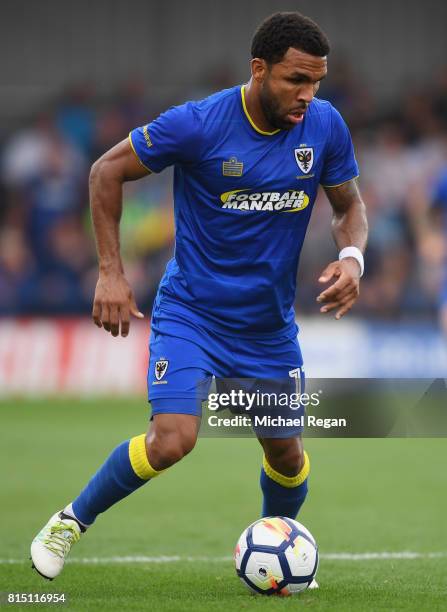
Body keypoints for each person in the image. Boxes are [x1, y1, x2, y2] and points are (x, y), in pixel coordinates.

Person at [31, 11, 368, 587]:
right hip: (193, 313)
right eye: (295, 80)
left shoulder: (326, 127)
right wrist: (110, 272)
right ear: (258, 69)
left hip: (267, 327)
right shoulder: (198, 124)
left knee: (287, 457)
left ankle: (274, 552)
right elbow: (105, 172)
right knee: (173, 440)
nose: (308, 96)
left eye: (317, 83)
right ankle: (69, 521)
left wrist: (353, 257)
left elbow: (348, 207)